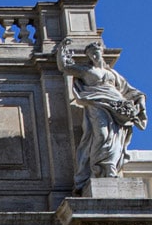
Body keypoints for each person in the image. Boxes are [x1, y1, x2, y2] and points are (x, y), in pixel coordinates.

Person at [55, 38, 147, 194]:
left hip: (116, 104)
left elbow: (130, 91)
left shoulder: (112, 74)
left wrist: (138, 102)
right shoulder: (86, 71)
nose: (95, 57)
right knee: (102, 135)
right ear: (89, 57)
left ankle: (110, 169)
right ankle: (99, 168)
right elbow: (65, 67)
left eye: (97, 53)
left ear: (101, 54)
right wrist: (61, 50)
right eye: (92, 55)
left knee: (114, 138)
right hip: (96, 103)